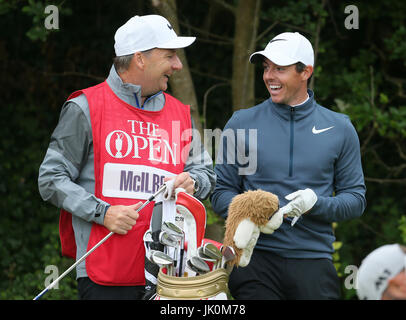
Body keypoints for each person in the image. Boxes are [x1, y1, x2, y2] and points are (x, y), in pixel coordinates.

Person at [38, 14, 216, 300]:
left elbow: (207, 174)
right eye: (170, 55)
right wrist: (103, 213)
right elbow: (50, 178)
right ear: (140, 59)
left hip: (170, 277)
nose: (178, 65)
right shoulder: (85, 106)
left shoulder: (179, 113)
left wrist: (193, 181)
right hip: (105, 274)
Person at [210, 32, 366, 299]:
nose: (269, 76)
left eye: (279, 69)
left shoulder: (339, 127)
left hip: (313, 261)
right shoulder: (241, 123)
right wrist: (249, 211)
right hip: (255, 261)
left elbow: (355, 199)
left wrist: (315, 203)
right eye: (266, 68)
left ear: (305, 71)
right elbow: (220, 191)